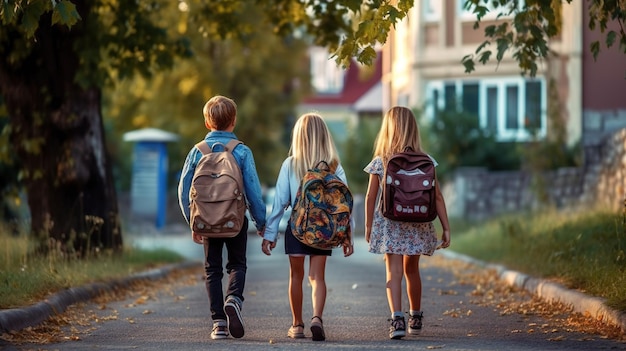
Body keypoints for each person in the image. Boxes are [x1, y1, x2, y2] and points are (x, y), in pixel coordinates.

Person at [178, 95, 266, 340]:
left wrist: (192, 221)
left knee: (212, 269)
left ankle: (218, 323)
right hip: (235, 219)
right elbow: (253, 190)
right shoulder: (242, 151)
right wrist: (261, 222)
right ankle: (234, 299)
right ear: (233, 121)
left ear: (207, 123)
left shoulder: (197, 152)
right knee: (237, 264)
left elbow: (184, 189)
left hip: (206, 220)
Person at [261, 113, 354, 342]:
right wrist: (347, 236)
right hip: (324, 230)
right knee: (317, 277)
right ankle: (317, 319)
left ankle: (297, 325)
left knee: (296, 276)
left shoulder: (290, 164)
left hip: (297, 228)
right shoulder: (334, 166)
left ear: (298, 137)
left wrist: (270, 234)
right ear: (324, 136)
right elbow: (344, 204)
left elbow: (280, 203)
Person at [363, 106, 451, 340]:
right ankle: (415, 316)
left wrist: (369, 225)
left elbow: (371, 196)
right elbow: (438, 197)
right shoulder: (427, 161)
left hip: (391, 224)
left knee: (393, 271)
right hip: (418, 223)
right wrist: (446, 227)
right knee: (412, 270)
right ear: (414, 129)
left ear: (388, 130)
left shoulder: (381, 161)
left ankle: (397, 319)